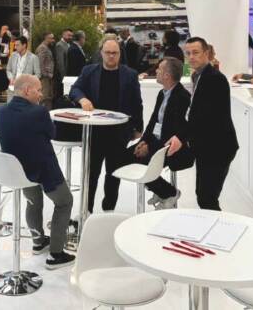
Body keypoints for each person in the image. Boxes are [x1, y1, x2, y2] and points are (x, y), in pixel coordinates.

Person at [0, 75, 75, 269]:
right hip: (43, 169)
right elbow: (53, 133)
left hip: (19, 172)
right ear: (26, 90)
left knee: (33, 201)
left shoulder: (2, 111)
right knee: (65, 202)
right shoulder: (39, 112)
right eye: (38, 90)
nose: (41, 94)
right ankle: (56, 254)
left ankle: (38, 242)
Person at [69, 39, 143, 212]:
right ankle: (86, 211)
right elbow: (75, 89)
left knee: (113, 175)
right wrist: (82, 99)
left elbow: (137, 103)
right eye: (108, 52)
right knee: (91, 175)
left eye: (114, 53)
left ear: (120, 54)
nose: (111, 56)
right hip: (94, 133)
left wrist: (138, 128)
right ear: (101, 53)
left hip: (119, 133)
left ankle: (108, 211)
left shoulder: (130, 74)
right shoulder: (89, 71)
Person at [182, 37, 238, 210]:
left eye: (195, 52)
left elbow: (206, 117)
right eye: (188, 53)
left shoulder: (215, 78)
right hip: (206, 146)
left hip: (218, 147)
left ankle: (219, 226)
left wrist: (183, 135)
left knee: (207, 198)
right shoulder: (197, 76)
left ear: (206, 53)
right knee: (203, 195)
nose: (191, 57)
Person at [133, 57, 191, 209]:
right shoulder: (162, 93)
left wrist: (150, 147)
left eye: (159, 69)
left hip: (170, 147)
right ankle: (162, 191)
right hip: (155, 142)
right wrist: (143, 141)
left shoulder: (182, 97)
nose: (156, 71)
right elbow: (154, 121)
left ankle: (170, 193)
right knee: (127, 157)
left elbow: (175, 131)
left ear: (167, 75)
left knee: (141, 166)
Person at [35, 32, 56, 109]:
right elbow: (40, 63)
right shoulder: (42, 48)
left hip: (47, 77)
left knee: (48, 97)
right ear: (46, 38)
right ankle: (43, 114)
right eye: (51, 38)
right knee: (44, 97)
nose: (53, 40)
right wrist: (46, 74)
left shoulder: (45, 47)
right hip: (44, 78)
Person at [53, 28, 73, 98]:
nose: (70, 37)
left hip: (67, 75)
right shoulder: (60, 45)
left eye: (71, 36)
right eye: (69, 35)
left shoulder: (68, 44)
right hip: (61, 76)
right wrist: (63, 77)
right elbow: (60, 63)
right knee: (61, 95)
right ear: (63, 34)